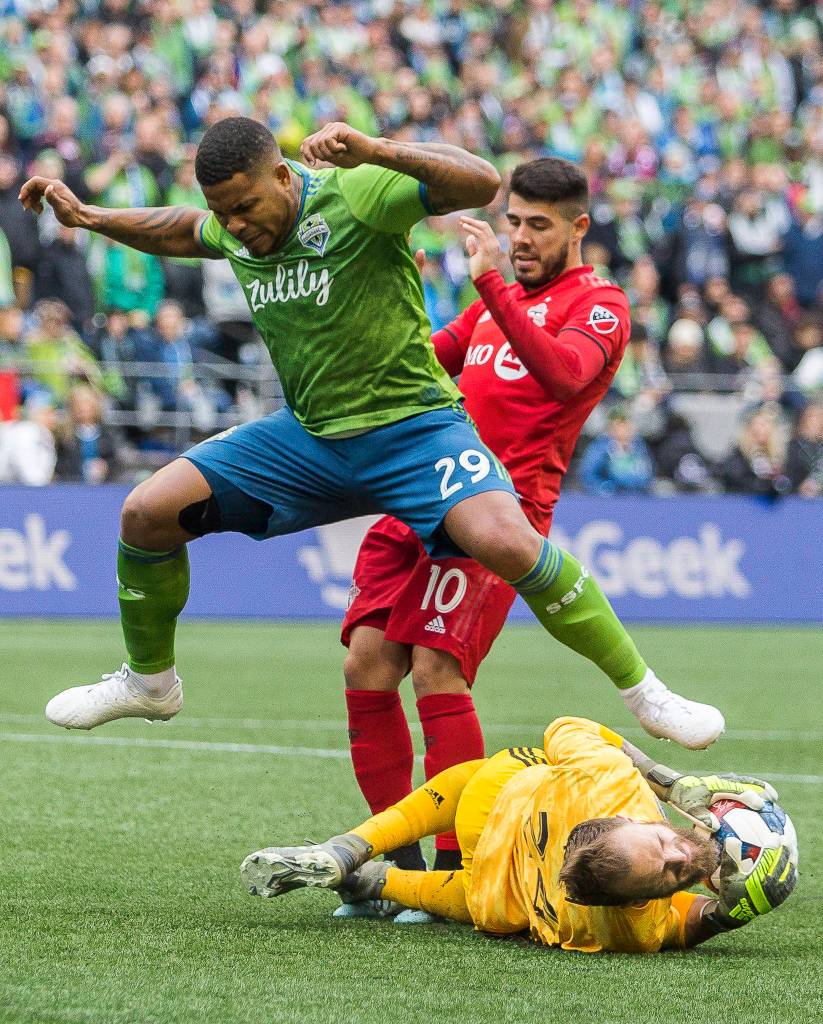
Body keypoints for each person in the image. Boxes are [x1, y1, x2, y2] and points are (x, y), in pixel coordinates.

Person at [20, 118, 722, 749]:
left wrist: (376, 150)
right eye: (221, 212)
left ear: (284, 178)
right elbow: (178, 229)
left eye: (243, 207)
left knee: (507, 542)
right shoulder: (229, 225)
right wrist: (89, 217)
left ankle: (644, 691)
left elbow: (478, 181)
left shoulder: (356, 195)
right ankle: (150, 683)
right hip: (311, 439)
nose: (232, 225)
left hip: (413, 430)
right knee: (146, 511)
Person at [339, 158, 716, 900]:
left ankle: (456, 869)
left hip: (497, 514)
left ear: (577, 228)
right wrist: (389, 292)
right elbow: (415, 362)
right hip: (417, 497)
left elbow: (563, 376)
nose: (518, 238)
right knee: (365, 667)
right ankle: (396, 865)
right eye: (513, 221)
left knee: (436, 670)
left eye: (537, 226)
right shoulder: (488, 308)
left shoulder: (598, 303)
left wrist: (489, 286)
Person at [240, 717, 797, 953]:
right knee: (423, 892)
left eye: (668, 861)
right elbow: (683, 926)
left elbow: (567, 727)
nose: (678, 850)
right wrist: (731, 913)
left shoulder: (612, 785)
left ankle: (350, 849)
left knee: (474, 778)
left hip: (493, 812)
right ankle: (368, 881)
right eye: (674, 857)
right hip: (498, 903)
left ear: (630, 822)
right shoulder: (630, 930)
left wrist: (669, 783)